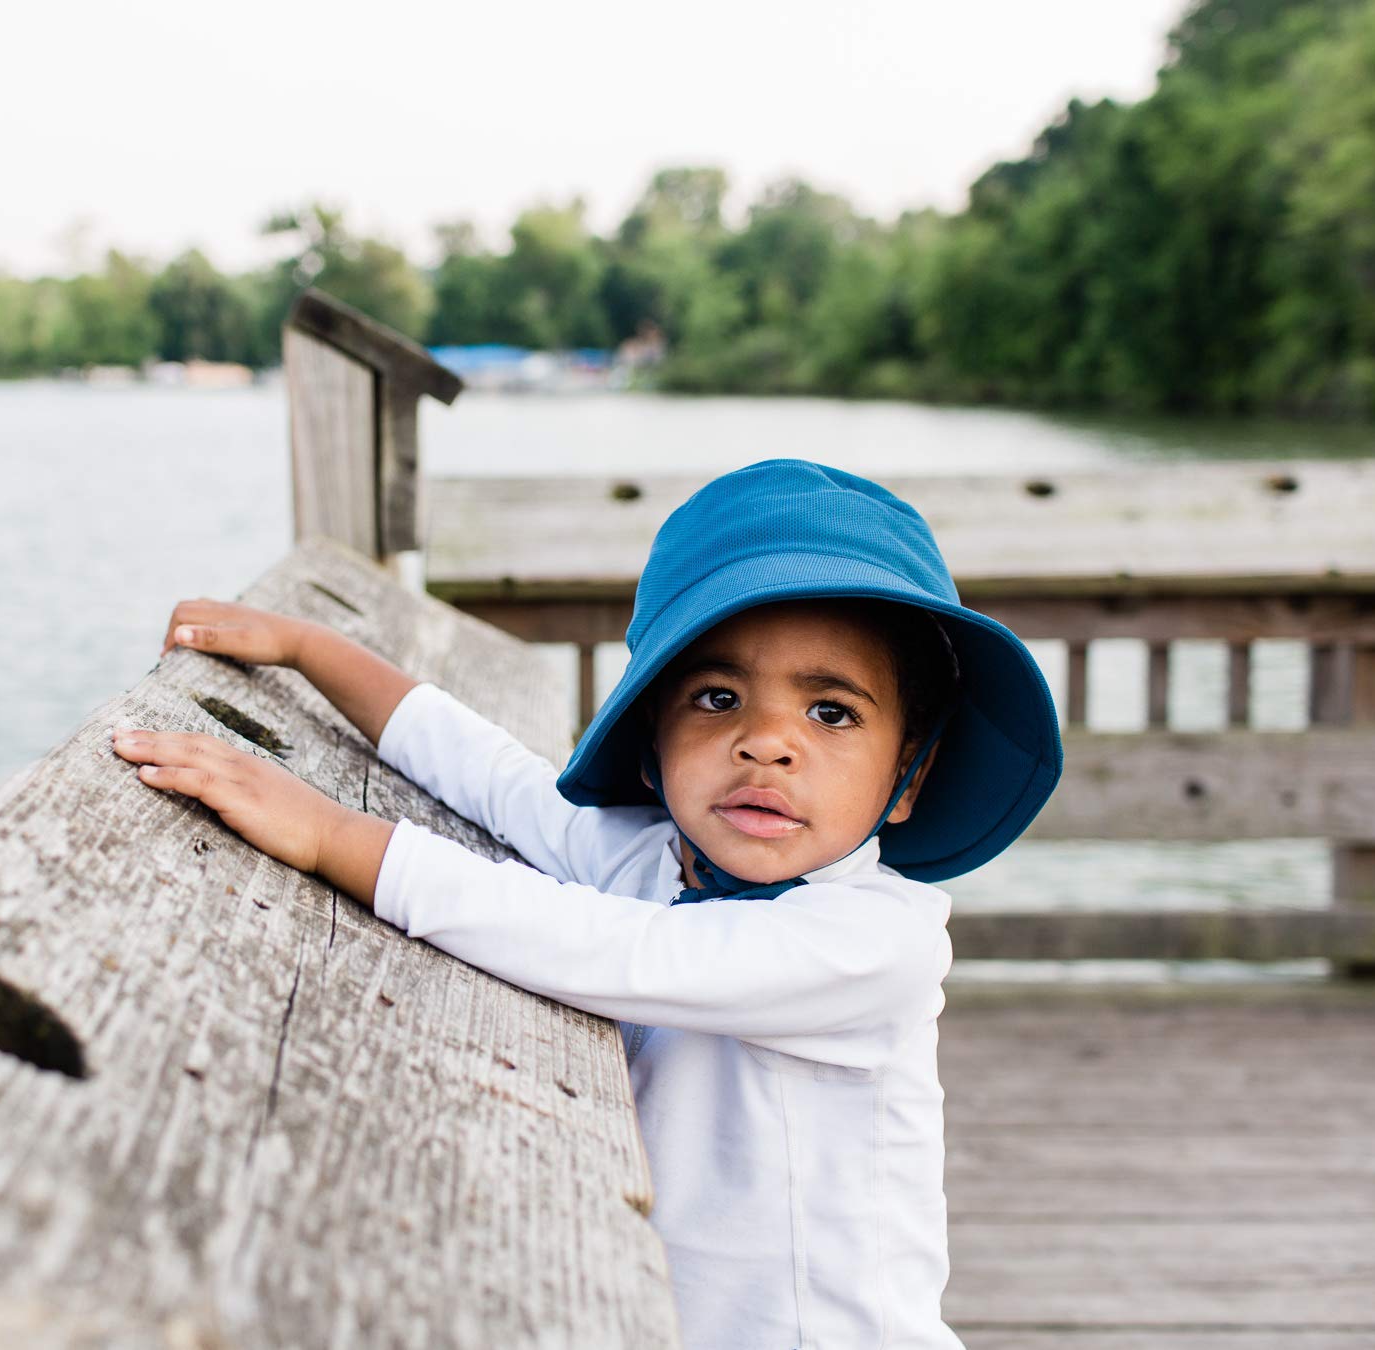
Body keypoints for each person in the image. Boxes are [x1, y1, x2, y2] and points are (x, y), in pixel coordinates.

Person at [112, 458, 1063, 1349]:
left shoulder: (874, 943)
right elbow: (497, 780)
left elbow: (616, 952)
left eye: (830, 712)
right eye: (717, 697)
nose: (767, 742)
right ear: (651, 743)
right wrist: (311, 650)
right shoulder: (655, 857)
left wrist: (331, 838)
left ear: (907, 779)